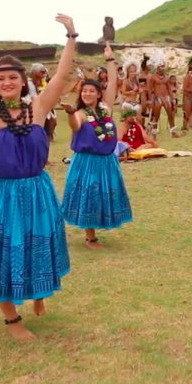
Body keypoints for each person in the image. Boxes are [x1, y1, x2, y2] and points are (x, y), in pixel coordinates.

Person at [0, 13, 78, 340]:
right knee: (2, 251)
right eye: (0, 79)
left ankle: (37, 293)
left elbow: (62, 77)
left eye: (12, 78)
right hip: (1, 193)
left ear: (23, 81)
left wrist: (71, 36)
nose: (6, 83)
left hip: (36, 190)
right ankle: (12, 320)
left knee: (38, 244)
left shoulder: (37, 108)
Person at [60, 43, 133, 249]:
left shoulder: (105, 109)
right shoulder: (81, 113)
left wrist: (110, 59)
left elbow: (112, 83)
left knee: (104, 194)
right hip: (87, 162)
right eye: (84, 91)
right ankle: (90, 237)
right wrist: (69, 114)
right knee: (90, 195)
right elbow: (75, 125)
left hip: (107, 161)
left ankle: (97, 227)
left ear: (98, 94)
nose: (87, 94)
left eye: (91, 91)